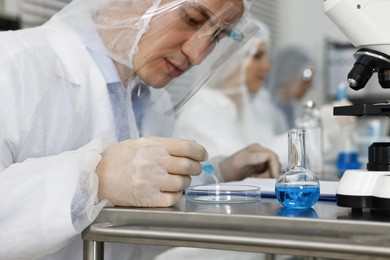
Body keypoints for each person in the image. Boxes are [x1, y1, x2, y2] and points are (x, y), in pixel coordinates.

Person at [0, 0, 280, 259]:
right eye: (192, 19)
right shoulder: (13, 63)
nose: (197, 56)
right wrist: (94, 179)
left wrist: (220, 174)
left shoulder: (152, 102)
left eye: (217, 36)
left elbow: (136, 237)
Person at [173, 22, 289, 170]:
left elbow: (267, 148)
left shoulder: (251, 107)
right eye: (257, 56)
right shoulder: (201, 111)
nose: (267, 67)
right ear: (233, 57)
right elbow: (242, 165)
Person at [263, 44, 316, 135]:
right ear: (289, 75)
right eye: (307, 78)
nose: (311, 86)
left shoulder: (292, 111)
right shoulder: (267, 114)